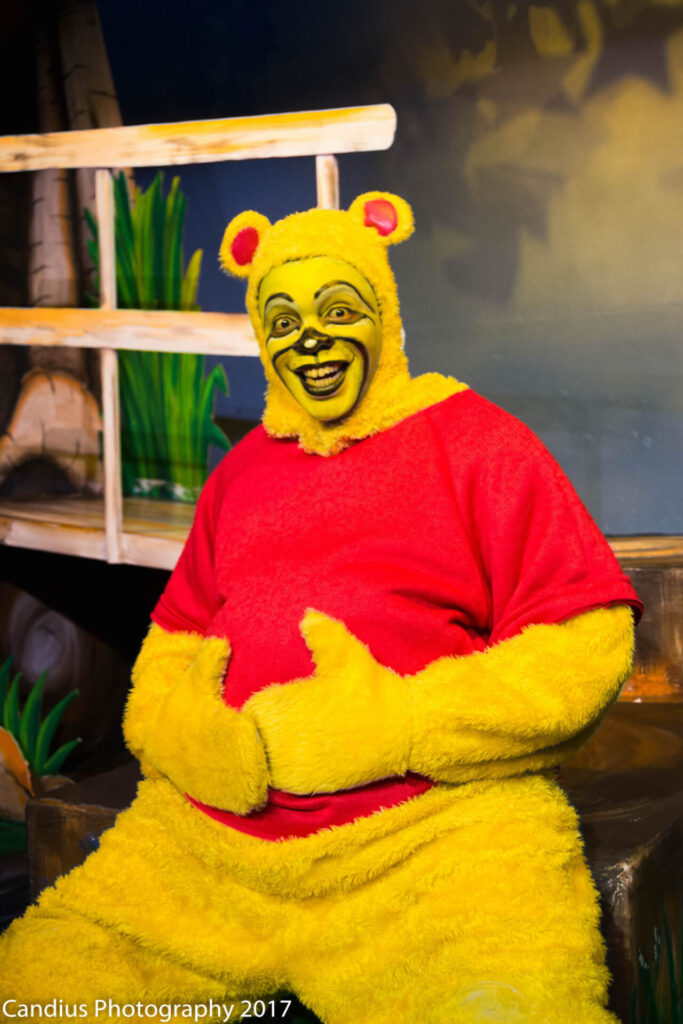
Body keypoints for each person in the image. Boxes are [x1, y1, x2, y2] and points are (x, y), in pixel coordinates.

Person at [0, 192, 642, 1024]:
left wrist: (400, 722)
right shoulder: (241, 472)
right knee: (38, 988)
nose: (309, 337)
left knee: (509, 1006)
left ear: (383, 309)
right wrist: (186, 734)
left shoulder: (477, 442)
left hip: (430, 842)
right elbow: (174, 638)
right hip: (206, 853)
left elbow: (581, 638)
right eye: (283, 319)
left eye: (337, 310)